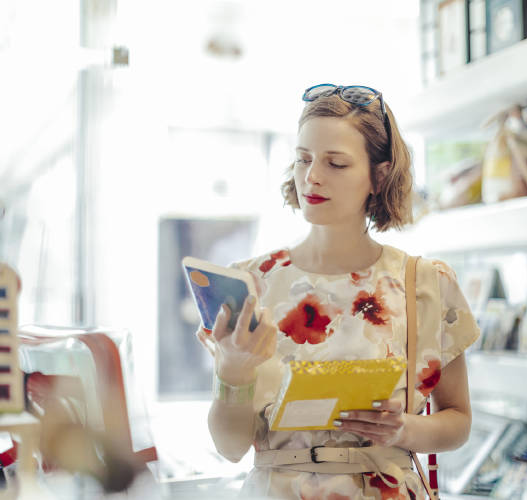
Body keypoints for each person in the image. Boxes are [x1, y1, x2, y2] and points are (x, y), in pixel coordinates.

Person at [197, 84, 481, 499]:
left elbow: (458, 421)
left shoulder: (426, 283)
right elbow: (230, 446)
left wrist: (405, 427)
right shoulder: (250, 283)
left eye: (336, 163)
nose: (312, 176)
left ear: (378, 175)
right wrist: (232, 374)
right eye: (304, 159)